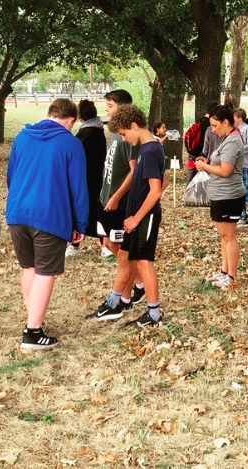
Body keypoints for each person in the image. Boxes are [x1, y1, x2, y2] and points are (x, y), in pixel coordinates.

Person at [6, 99, 88, 349]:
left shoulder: (21, 138)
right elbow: (78, 188)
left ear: (50, 113)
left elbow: (11, 176)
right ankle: (33, 332)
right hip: (49, 215)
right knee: (45, 271)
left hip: (17, 212)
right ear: (71, 120)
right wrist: (80, 224)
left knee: (29, 267)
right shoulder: (71, 144)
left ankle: (34, 320)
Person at [91, 105, 165, 326]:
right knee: (124, 256)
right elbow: (163, 181)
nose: (123, 139)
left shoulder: (150, 150)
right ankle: (114, 303)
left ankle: (154, 314)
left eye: (124, 133)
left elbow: (156, 191)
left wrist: (136, 217)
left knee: (143, 263)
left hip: (145, 217)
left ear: (134, 126)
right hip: (137, 216)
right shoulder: (147, 148)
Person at [94, 89, 144, 313]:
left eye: (110, 105)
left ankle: (125, 298)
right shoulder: (116, 133)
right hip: (105, 199)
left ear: (123, 108)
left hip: (120, 203)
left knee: (122, 251)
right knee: (108, 243)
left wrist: (116, 197)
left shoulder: (129, 137)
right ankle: (139, 283)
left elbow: (134, 172)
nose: (106, 109)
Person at [195, 106, 246, 289]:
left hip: (229, 195)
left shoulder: (232, 141)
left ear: (226, 122)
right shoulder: (226, 139)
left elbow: (226, 170)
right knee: (223, 236)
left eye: (215, 125)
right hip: (220, 194)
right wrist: (208, 162)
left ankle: (231, 276)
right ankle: (224, 271)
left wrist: (204, 167)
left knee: (229, 236)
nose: (212, 130)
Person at [65, 100, 106, 258]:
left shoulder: (87, 133)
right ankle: (103, 245)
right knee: (96, 210)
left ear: (80, 115)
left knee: (84, 210)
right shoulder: (97, 130)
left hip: (85, 178)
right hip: (96, 176)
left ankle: (76, 244)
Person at [185, 101, 218, 184]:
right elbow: (206, 144)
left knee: (190, 177)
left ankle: (188, 193)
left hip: (192, 153)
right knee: (199, 179)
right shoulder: (209, 125)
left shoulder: (199, 121)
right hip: (201, 155)